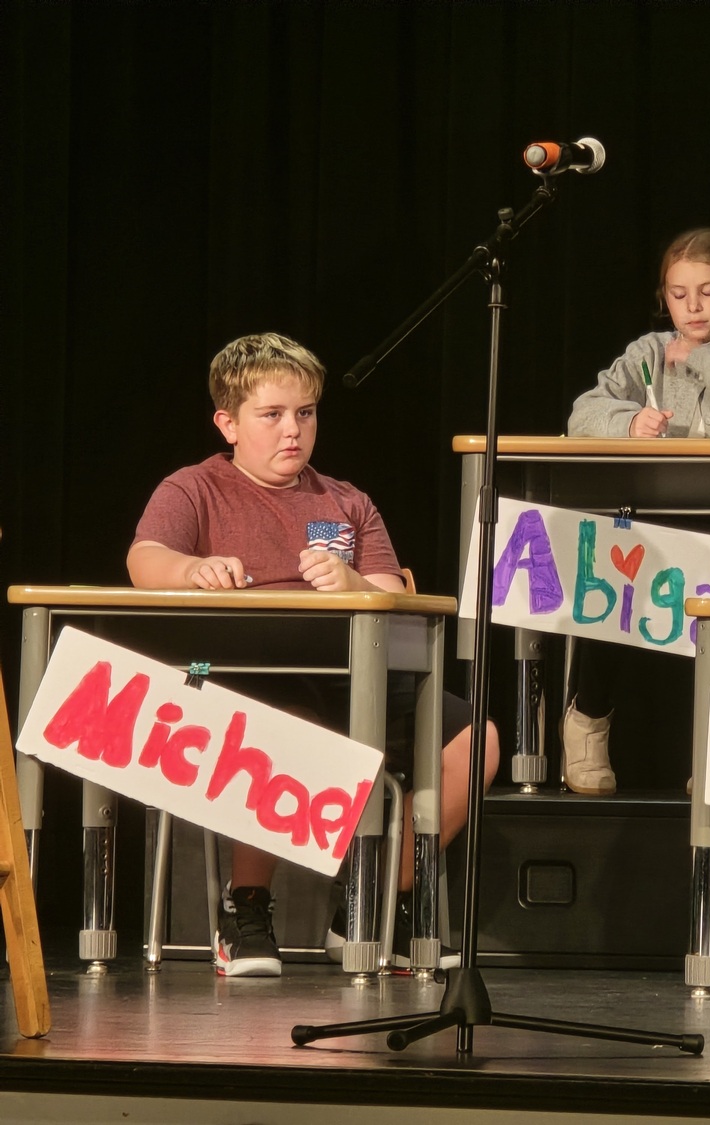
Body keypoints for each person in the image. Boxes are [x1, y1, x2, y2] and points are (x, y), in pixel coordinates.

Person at [127, 332, 502, 976]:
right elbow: (144, 560)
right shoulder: (194, 489)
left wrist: (354, 583)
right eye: (271, 415)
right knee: (281, 726)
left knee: (479, 739)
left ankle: (371, 904)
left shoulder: (345, 501)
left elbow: (389, 590)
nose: (292, 431)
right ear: (228, 423)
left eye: (305, 413)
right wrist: (193, 569)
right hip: (240, 675)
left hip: (353, 674)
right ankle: (245, 910)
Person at [562, 228, 710, 795]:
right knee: (609, 569)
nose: (692, 306)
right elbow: (581, 416)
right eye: (678, 293)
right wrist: (627, 423)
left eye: (708, 291)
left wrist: (705, 359)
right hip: (650, 516)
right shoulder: (646, 353)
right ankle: (587, 717)